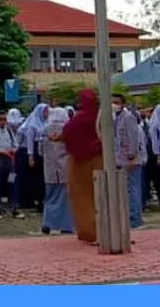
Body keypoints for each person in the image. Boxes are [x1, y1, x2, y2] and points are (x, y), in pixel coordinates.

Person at [61, 89, 103, 244]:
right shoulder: (101, 117)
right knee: (101, 195)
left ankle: (89, 231)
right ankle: (105, 229)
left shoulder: (78, 119)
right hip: (100, 160)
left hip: (80, 163)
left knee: (83, 197)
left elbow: (68, 134)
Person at [114, 94, 146, 228]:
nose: (114, 105)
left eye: (116, 102)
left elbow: (133, 136)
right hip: (122, 158)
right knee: (128, 189)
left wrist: (132, 153)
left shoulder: (128, 117)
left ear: (123, 104)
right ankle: (131, 215)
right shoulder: (116, 117)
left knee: (133, 189)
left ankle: (135, 218)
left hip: (130, 158)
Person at [40, 107, 74, 234]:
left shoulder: (44, 130)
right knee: (65, 198)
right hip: (64, 167)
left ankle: (47, 223)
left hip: (49, 168)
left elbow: (40, 150)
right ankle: (65, 226)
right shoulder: (67, 129)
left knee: (50, 196)